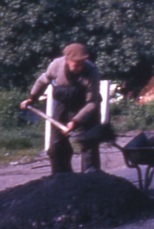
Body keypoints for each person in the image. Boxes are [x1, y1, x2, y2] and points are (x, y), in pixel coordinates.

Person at [19, 43, 102, 173]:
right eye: (76, 64)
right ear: (67, 60)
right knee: (57, 145)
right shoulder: (56, 65)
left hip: (85, 109)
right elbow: (42, 81)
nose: (80, 67)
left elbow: (92, 103)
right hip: (63, 106)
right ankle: (61, 177)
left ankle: (90, 177)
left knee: (89, 143)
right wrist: (33, 97)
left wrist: (76, 121)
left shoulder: (92, 72)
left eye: (82, 63)